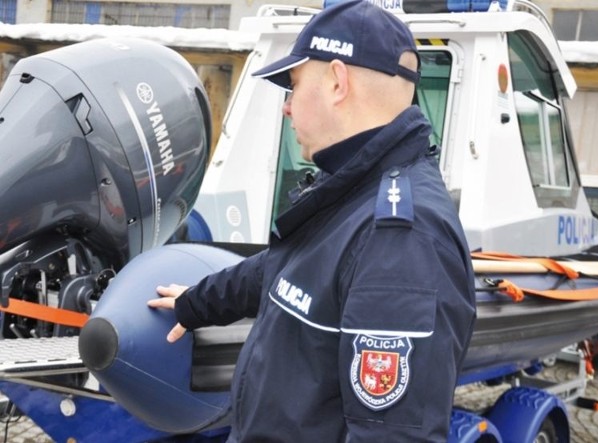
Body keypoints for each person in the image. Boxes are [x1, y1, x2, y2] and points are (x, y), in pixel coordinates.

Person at [148, 1, 476, 441]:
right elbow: (287, 269)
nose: (286, 108)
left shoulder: (401, 240)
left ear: (338, 82)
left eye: (294, 85)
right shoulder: (353, 192)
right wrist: (197, 303)